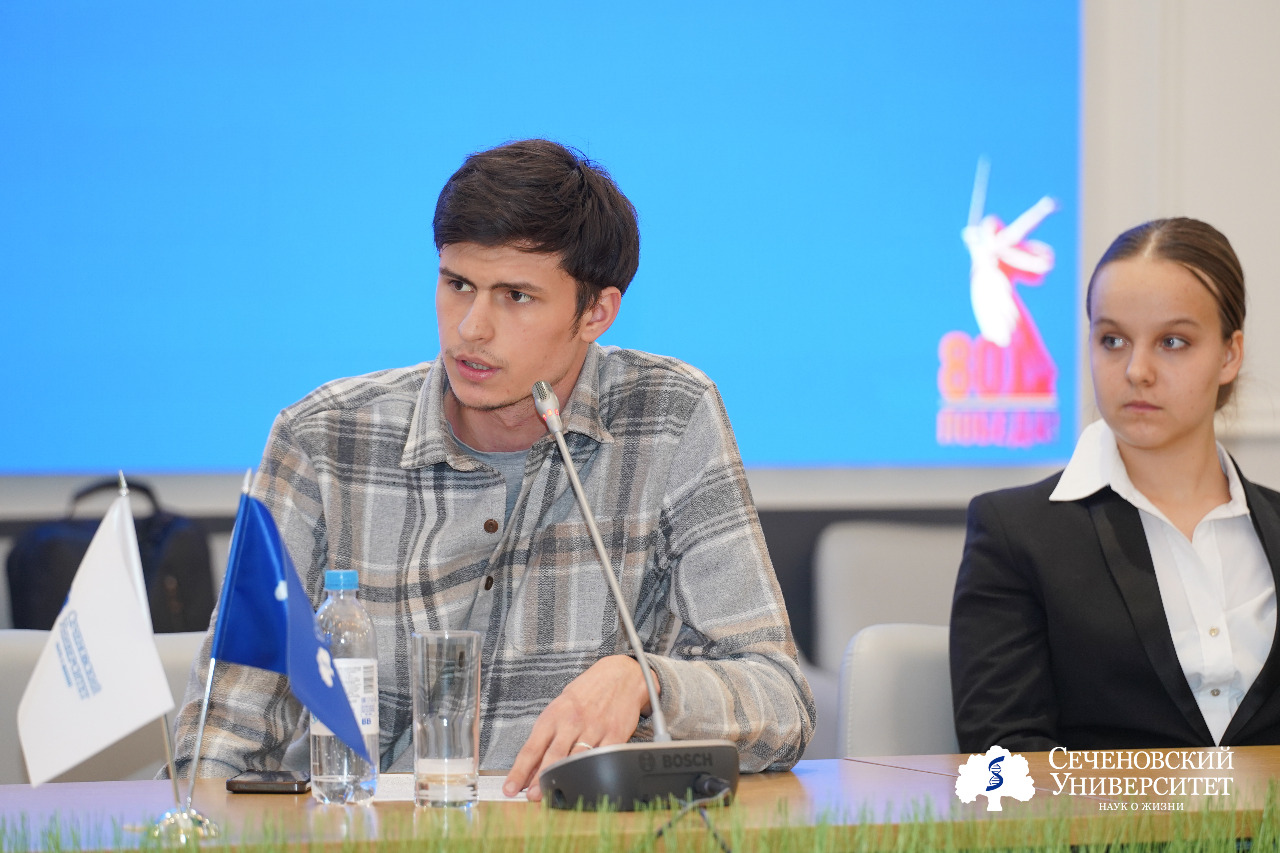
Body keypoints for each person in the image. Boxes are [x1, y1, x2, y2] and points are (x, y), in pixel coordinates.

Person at [170, 139, 815, 798]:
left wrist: (644, 681)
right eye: (457, 285)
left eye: (516, 296)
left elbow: (782, 702)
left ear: (596, 312)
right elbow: (223, 734)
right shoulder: (324, 438)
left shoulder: (668, 417)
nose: (471, 328)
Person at [951, 217, 1280, 753]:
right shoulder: (1014, 533)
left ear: (1229, 355)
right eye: (1113, 340)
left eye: (1172, 341)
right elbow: (1003, 753)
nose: (1137, 370)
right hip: (1090, 811)